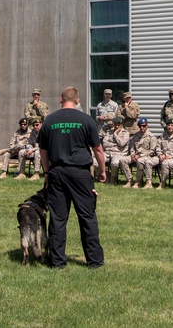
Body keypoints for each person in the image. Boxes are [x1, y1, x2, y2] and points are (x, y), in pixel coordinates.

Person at [38, 86, 106, 269]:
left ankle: (57, 261)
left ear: (61, 99)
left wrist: (46, 172)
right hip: (80, 173)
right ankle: (95, 261)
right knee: (87, 216)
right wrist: (103, 170)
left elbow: (43, 150)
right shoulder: (86, 120)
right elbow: (97, 149)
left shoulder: (49, 120)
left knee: (58, 218)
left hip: (57, 172)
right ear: (77, 100)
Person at [130, 118, 160, 189]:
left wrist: (140, 155)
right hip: (137, 156)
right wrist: (132, 154)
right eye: (140, 126)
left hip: (148, 156)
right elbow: (132, 147)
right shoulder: (136, 135)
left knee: (141, 161)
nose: (141, 127)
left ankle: (147, 182)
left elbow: (152, 151)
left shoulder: (151, 136)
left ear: (147, 126)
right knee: (138, 160)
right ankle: (138, 182)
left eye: (143, 126)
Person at [155, 120, 173, 190]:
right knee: (149, 161)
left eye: (172, 125)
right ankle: (147, 182)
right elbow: (158, 147)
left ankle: (162, 183)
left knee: (165, 163)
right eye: (168, 125)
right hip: (163, 156)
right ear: (166, 126)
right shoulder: (162, 136)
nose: (170, 127)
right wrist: (160, 154)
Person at [99, 120, 132, 186]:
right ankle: (106, 174)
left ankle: (113, 178)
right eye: (115, 125)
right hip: (108, 153)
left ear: (122, 124)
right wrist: (115, 144)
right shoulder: (108, 132)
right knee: (96, 161)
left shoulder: (125, 133)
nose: (117, 126)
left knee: (115, 163)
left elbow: (122, 143)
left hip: (119, 153)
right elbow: (105, 144)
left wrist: (115, 134)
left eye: (118, 125)